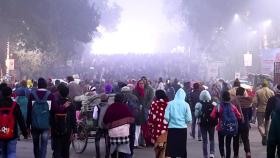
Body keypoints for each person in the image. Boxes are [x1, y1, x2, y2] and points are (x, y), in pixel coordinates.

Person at [26, 78, 56, 158]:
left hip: (34, 123)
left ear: (38, 85)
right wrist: (52, 124)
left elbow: (29, 111)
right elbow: (53, 111)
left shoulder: (32, 95)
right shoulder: (50, 95)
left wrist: (28, 125)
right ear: (46, 85)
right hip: (46, 124)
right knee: (44, 144)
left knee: (35, 144)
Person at [211, 91, 241, 158]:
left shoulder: (219, 106)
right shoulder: (232, 106)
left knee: (221, 143)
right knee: (228, 144)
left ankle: (222, 155)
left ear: (222, 97)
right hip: (230, 127)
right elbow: (239, 116)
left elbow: (212, 115)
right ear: (229, 98)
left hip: (221, 127)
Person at [103, 93, 135, 158]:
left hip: (113, 135)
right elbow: (132, 119)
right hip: (124, 134)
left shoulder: (111, 107)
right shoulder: (125, 107)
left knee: (113, 151)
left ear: (115, 99)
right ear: (123, 100)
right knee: (125, 151)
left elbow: (105, 120)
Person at [0, 87, 28, 158]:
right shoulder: (15, 105)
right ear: (11, 94)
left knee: (3, 153)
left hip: (1, 133)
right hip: (12, 133)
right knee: (11, 152)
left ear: (2, 94)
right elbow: (20, 120)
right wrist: (25, 133)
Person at [51, 84, 77, 158]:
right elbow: (73, 119)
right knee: (66, 151)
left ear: (59, 92)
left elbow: (51, 116)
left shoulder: (55, 103)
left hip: (56, 131)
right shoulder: (71, 104)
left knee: (56, 151)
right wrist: (75, 131)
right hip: (67, 131)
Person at [164, 88, 192, 158]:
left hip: (172, 128)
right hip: (182, 128)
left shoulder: (170, 103)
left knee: (172, 146)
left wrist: (170, 121)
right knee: (182, 145)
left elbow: (166, 116)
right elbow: (189, 119)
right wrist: (184, 122)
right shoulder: (186, 104)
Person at [195, 90, 217, 158]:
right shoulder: (213, 103)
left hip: (203, 123)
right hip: (211, 123)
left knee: (204, 140)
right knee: (212, 139)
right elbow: (217, 112)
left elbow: (196, 115)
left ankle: (205, 155)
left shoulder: (199, 104)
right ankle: (212, 153)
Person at [232, 87, 253, 158]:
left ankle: (236, 155)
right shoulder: (248, 101)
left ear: (236, 92)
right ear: (244, 93)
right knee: (246, 139)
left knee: (235, 139)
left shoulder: (233, 101)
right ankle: (248, 152)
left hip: (236, 124)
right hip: (245, 123)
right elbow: (250, 115)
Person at [148, 90, 169, 158]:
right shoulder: (169, 104)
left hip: (156, 129)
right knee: (165, 149)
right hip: (166, 129)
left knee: (158, 148)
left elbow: (151, 117)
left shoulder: (154, 104)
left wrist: (150, 128)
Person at [121, 86, 141, 158]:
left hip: (124, 120)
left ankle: (125, 153)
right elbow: (138, 108)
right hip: (132, 119)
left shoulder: (122, 98)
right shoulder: (135, 97)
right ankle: (131, 152)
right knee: (132, 136)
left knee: (124, 137)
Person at [255, 80, 274, 145]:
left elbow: (255, 102)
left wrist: (256, 106)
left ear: (262, 85)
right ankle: (266, 139)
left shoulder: (258, 92)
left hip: (260, 110)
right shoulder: (271, 92)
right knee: (267, 125)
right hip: (269, 110)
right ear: (267, 85)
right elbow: (273, 101)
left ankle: (263, 135)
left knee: (260, 125)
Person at [93, 93, 110, 158]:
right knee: (107, 140)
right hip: (107, 126)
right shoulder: (109, 106)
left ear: (100, 99)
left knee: (97, 140)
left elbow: (94, 117)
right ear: (107, 99)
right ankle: (107, 155)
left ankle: (98, 155)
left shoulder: (97, 106)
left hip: (99, 126)